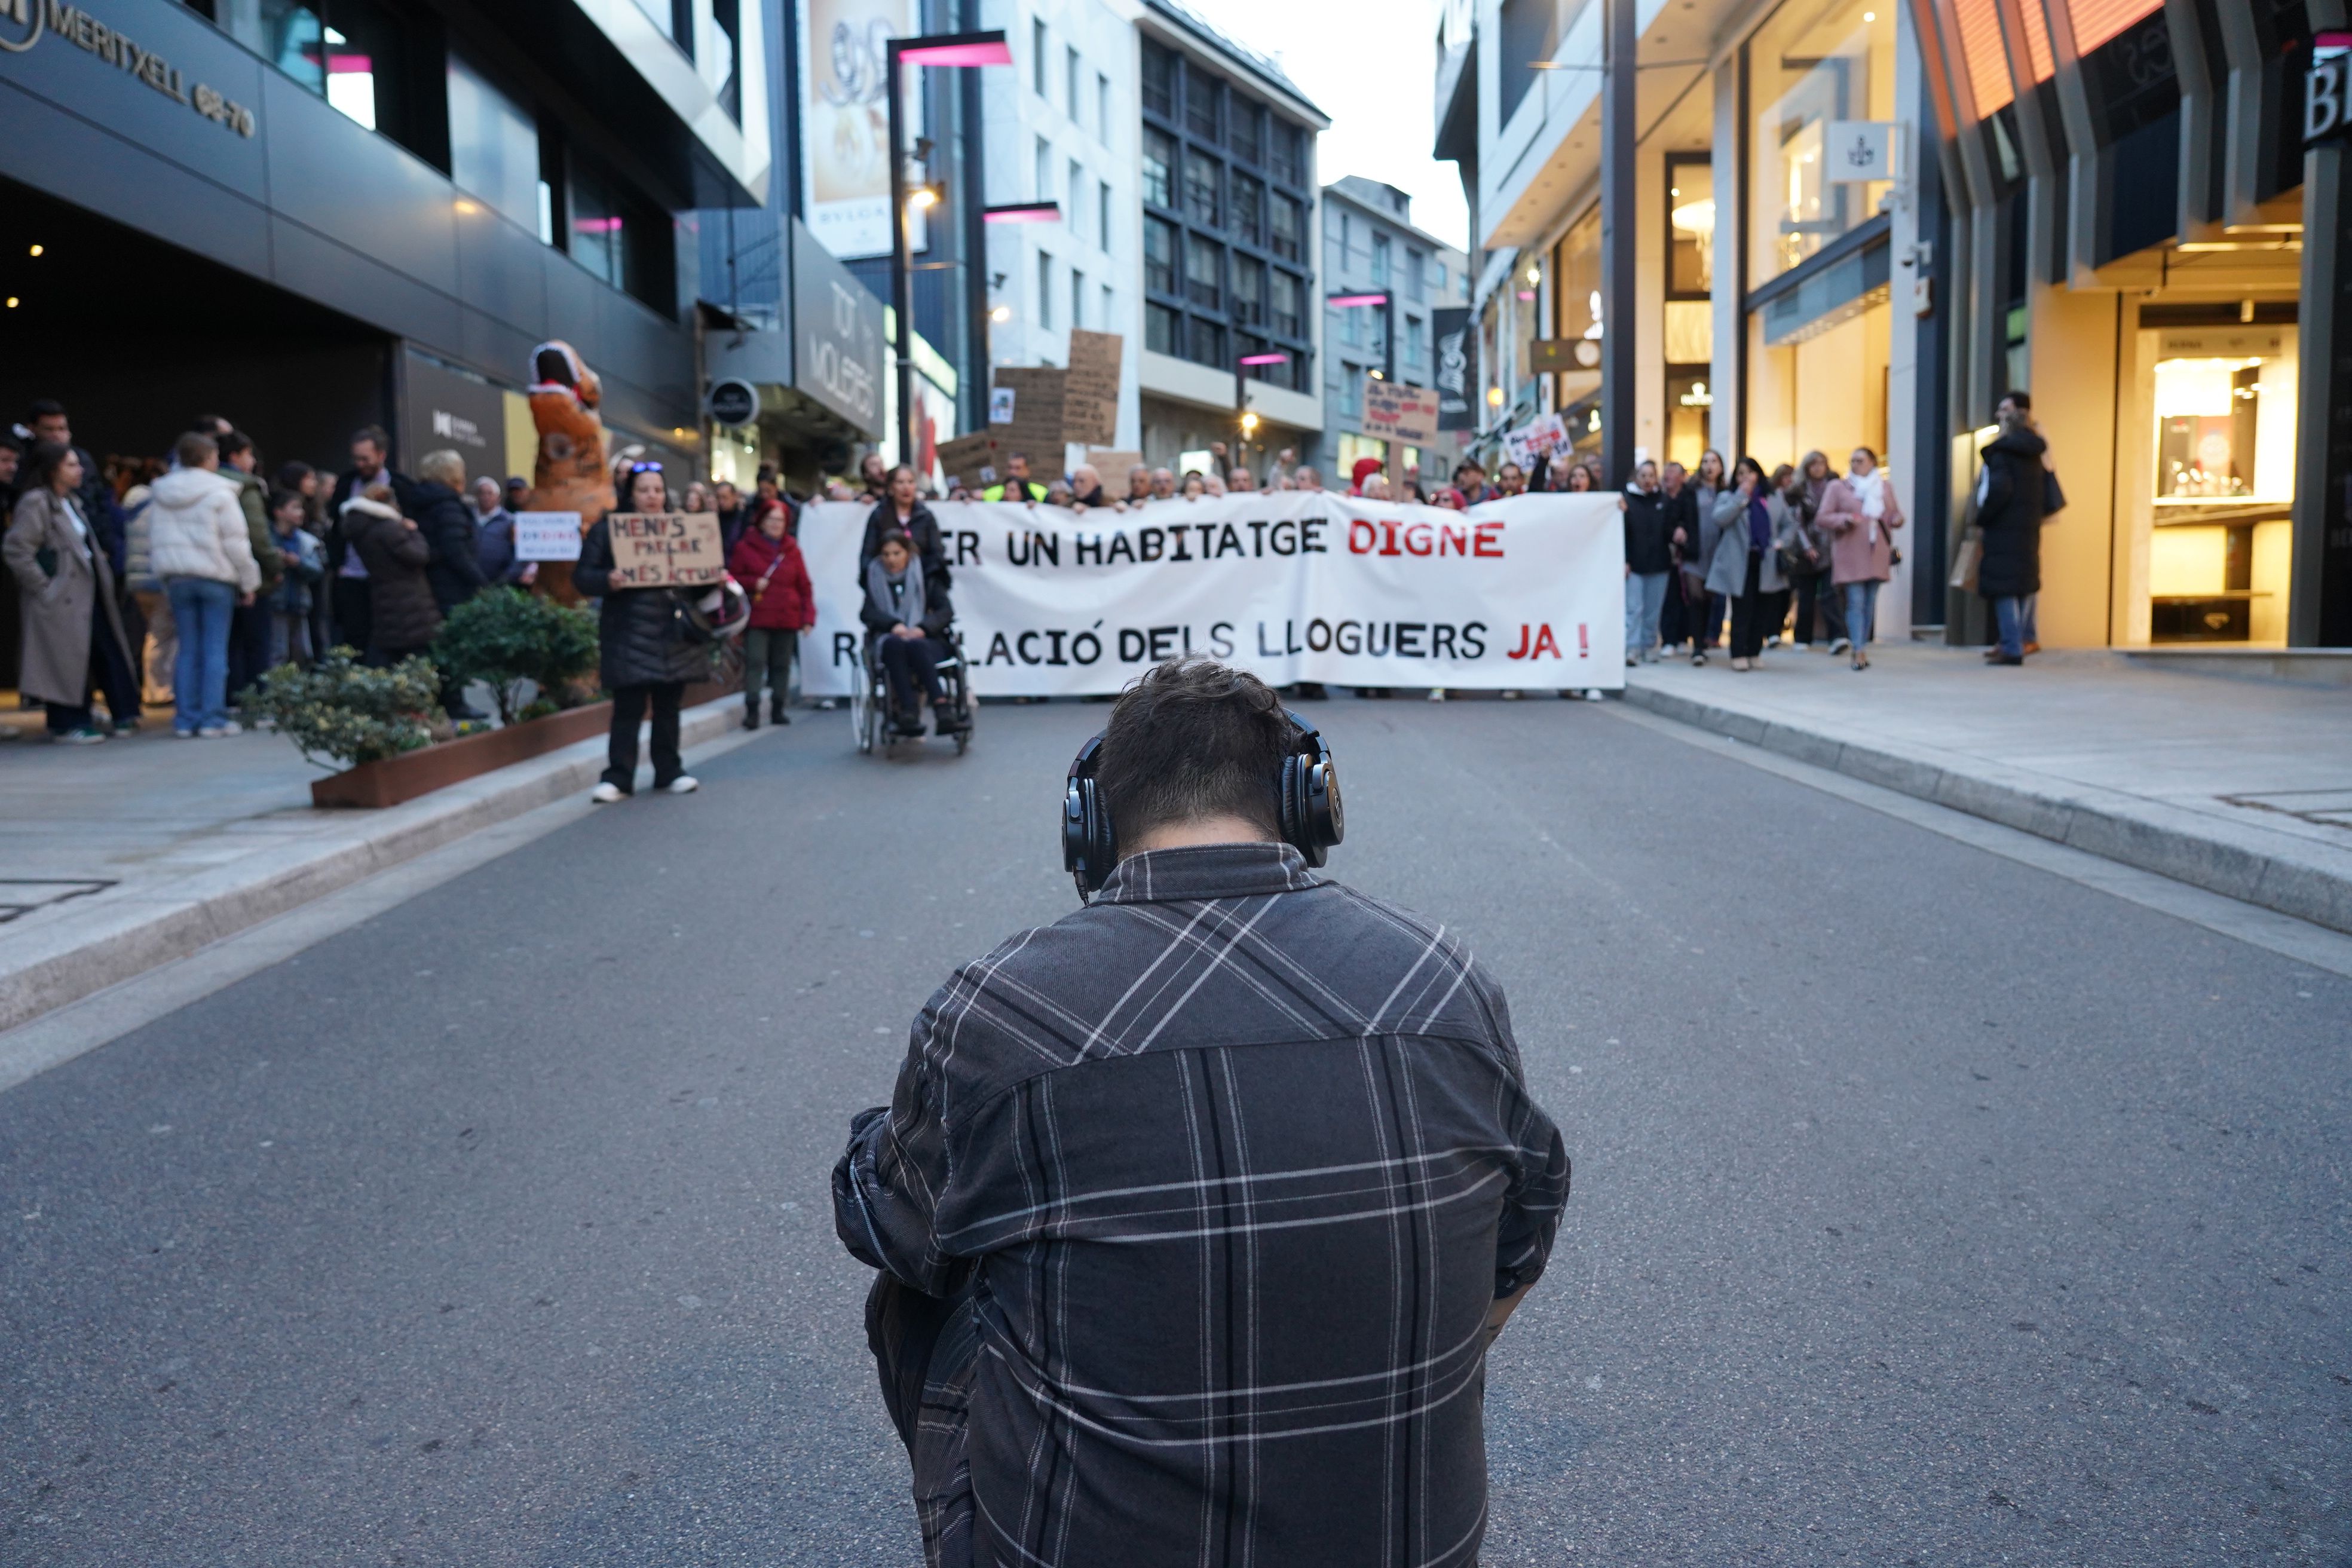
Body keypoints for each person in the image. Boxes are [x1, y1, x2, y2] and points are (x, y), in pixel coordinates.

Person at [833, 655, 1569, 1568]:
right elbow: (1520, 1244)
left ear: (1092, 826)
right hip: (1416, 1542)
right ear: (1307, 807)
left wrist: (892, 1134)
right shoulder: (1445, 980)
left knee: (921, 1285)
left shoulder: (1001, 1011)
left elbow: (884, 1224)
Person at [575, 463, 709, 800]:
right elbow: (582, 577)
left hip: (671, 631)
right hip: (628, 633)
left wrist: (711, 575)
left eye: (658, 490)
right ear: (631, 494)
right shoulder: (607, 530)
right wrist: (608, 580)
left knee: (668, 707)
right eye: (645, 490)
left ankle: (669, 770)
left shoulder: (683, 530)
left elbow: (701, 590)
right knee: (628, 708)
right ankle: (619, 777)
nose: (652, 496)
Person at [6, 441, 140, 742]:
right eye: (70, 465)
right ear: (52, 469)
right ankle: (67, 722)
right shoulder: (37, 502)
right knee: (64, 659)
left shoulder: (71, 501)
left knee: (104, 649)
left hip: (87, 593)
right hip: (62, 599)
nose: (79, 470)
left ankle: (119, 712)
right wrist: (45, 588)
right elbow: (17, 549)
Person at [146, 433, 262, 736]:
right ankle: (212, 719)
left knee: (187, 649)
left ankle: (185, 720)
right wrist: (250, 582)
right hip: (215, 578)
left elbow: (155, 540)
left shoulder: (161, 492)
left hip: (178, 579)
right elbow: (236, 543)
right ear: (209, 457)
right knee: (214, 650)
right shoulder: (221, 492)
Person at [411, 450, 490, 718]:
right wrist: (481, 582)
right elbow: (456, 550)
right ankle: (454, 703)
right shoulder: (448, 505)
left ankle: (439, 701)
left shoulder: (420, 502)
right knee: (452, 645)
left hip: (428, 584)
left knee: (436, 646)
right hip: (450, 587)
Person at [860, 530, 961, 736]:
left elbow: (945, 611)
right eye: (886, 554)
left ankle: (941, 707)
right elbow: (867, 612)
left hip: (927, 641)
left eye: (897, 553)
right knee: (894, 644)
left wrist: (923, 628)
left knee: (915, 645)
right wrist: (892, 625)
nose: (891, 559)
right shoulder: (874, 576)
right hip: (892, 642)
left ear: (907, 553)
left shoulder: (927, 576)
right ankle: (908, 710)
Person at [327, 427, 415, 656]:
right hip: (352, 576)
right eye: (356, 458)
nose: (360, 464)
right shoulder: (346, 484)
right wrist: (338, 564)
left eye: (365, 458)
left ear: (381, 455)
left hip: (387, 579)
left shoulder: (402, 486)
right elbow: (335, 528)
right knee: (354, 640)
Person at [728, 498, 813, 730]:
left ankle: (778, 707)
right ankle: (753, 708)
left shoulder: (792, 550)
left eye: (781, 520)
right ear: (762, 521)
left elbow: (804, 585)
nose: (776, 524)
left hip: (787, 615)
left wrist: (808, 618)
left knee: (782, 664)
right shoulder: (745, 548)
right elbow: (733, 580)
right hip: (759, 616)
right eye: (772, 519)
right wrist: (753, 583)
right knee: (755, 661)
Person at [1818, 445, 1905, 672]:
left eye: (1860, 460)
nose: (1854, 464)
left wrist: (1897, 519)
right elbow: (1823, 517)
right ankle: (1858, 650)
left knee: (1869, 604)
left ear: (1873, 463)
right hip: (1851, 553)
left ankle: (1861, 644)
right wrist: (1846, 519)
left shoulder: (1884, 487)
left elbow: (1894, 513)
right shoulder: (1839, 487)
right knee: (1855, 602)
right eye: (1852, 460)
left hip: (1877, 552)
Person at [1707, 455, 1797, 672]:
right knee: (1742, 609)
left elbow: (1789, 525)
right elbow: (1720, 518)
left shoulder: (1773, 497)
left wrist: (1781, 542)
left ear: (1759, 474)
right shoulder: (1728, 496)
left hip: (1766, 561)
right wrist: (1741, 497)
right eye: (1740, 473)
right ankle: (1738, 653)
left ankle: (1754, 652)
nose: (1745, 477)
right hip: (1740, 562)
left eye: (1750, 472)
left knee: (1763, 610)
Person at [1975, 394, 2046, 665]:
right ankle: (2017, 640)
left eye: (2003, 412)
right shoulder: (2034, 453)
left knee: (2003, 588)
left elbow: (1999, 490)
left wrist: (1983, 517)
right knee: (2024, 585)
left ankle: (2011, 645)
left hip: (2003, 528)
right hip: (2028, 527)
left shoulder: (2003, 453)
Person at [216, 431, 284, 708]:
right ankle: (258, 702)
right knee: (257, 643)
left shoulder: (206, 483)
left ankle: (232, 700)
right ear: (235, 456)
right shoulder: (246, 486)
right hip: (249, 576)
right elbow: (257, 535)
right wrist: (274, 565)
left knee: (229, 644)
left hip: (217, 574)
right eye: (249, 455)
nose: (253, 461)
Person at [341, 483, 440, 667]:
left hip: (382, 595)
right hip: (409, 598)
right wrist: (414, 532)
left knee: (387, 651)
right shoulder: (389, 528)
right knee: (418, 654)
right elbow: (419, 556)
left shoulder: (360, 527)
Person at [1784, 451, 1849, 653]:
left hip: (1831, 548)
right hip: (1807, 550)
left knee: (1831, 595)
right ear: (1807, 467)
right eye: (1814, 464)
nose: (1818, 468)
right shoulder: (1799, 491)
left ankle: (1837, 637)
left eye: (1822, 463)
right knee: (1806, 596)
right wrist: (1807, 547)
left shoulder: (1836, 487)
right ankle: (1802, 637)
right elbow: (1797, 523)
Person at [262, 488, 324, 669]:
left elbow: (317, 571)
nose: (301, 512)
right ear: (279, 512)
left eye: (301, 508)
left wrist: (298, 563)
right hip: (276, 604)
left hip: (300, 604)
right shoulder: (267, 540)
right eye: (295, 508)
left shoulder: (306, 541)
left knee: (302, 654)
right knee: (277, 653)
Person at [1619, 458, 1671, 665]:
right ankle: (1631, 648)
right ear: (1636, 477)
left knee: (1653, 610)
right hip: (1636, 565)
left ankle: (1649, 646)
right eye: (1644, 476)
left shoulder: (1664, 500)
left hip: (1659, 564)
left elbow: (1669, 528)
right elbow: (1623, 532)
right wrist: (1626, 559)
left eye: (1651, 476)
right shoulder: (1627, 501)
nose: (1648, 480)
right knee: (1634, 609)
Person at [860, 465, 947, 585]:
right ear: (891, 487)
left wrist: (920, 575)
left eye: (910, 482)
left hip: (924, 582)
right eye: (900, 482)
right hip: (885, 582)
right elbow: (868, 555)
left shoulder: (926, 516)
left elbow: (937, 553)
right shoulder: (878, 516)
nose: (906, 487)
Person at [1681, 449, 1728, 660]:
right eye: (1706, 462)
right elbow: (1678, 515)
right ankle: (1697, 647)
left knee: (1711, 598)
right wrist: (1679, 530)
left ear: (1720, 467)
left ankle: (1707, 638)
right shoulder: (1690, 491)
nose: (1710, 466)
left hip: (1718, 553)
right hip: (1695, 552)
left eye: (1714, 462)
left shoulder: (1726, 492)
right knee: (1696, 597)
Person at [469, 474, 529, 587]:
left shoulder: (509, 521)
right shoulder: (468, 518)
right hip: (471, 581)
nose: (485, 497)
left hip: (501, 583)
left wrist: (508, 577)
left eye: (489, 493)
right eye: (481, 493)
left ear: (498, 497)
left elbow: (519, 551)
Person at [982, 452, 1049, 503]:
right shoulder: (990, 493)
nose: (1013, 472)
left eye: (1018, 468)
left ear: (1028, 470)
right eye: (1010, 468)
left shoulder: (1042, 493)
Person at [712, 479, 746, 551]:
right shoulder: (714, 520)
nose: (721, 502)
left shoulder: (744, 519)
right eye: (718, 498)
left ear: (735, 497)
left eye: (725, 497)